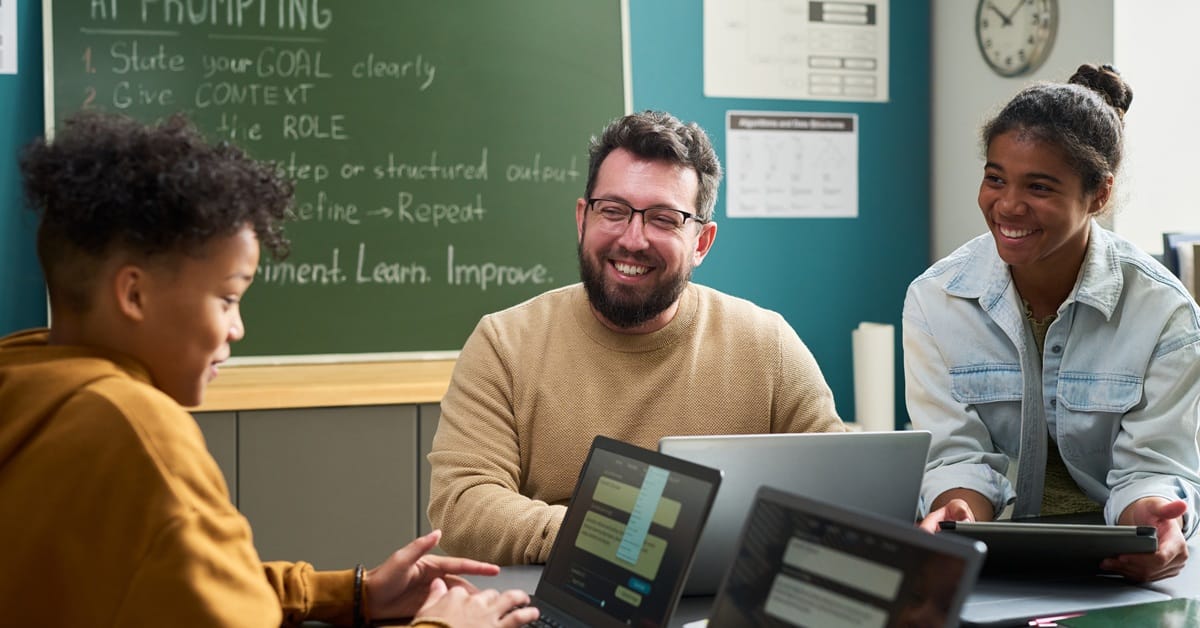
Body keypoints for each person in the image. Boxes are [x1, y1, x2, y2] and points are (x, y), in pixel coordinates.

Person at [0, 111, 538, 627]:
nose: (237, 329)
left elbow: (174, 583)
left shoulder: (25, 376)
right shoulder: (137, 430)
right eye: (228, 299)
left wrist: (351, 593)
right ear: (134, 293)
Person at [428, 110, 845, 564]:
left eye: (664, 219)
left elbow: (838, 490)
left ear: (702, 242)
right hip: (560, 593)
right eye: (614, 211)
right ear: (583, 217)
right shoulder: (504, 343)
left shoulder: (769, 346)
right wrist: (613, 539)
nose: (633, 238)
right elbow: (462, 503)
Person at [904, 64, 1200, 582]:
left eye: (1039, 187)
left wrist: (1153, 518)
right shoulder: (936, 299)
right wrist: (959, 509)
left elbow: (1154, 465)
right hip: (990, 566)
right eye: (995, 178)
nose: (1008, 205)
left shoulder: (1164, 311)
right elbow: (955, 454)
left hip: (1117, 571)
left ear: (1099, 195)